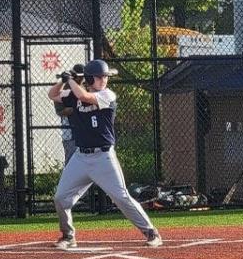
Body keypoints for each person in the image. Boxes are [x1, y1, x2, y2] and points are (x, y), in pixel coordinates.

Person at [46, 59, 163, 248]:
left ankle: (151, 232)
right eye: (100, 77)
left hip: (103, 157)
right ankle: (68, 236)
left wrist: (74, 81)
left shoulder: (108, 95)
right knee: (61, 198)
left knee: (121, 197)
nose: (104, 80)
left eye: (105, 77)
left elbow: (85, 97)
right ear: (90, 79)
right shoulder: (75, 92)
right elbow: (53, 95)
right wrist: (65, 80)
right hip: (81, 157)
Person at [54, 64, 86, 165]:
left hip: (84, 130)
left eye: (83, 76)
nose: (81, 79)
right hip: (69, 129)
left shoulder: (84, 88)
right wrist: (75, 109)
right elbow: (60, 111)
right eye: (79, 76)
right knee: (71, 160)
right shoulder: (64, 89)